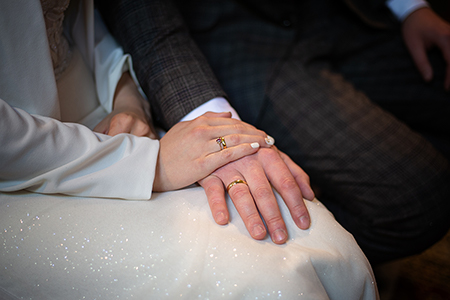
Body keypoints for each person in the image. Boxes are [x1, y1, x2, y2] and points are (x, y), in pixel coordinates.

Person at [97, 0, 450, 264]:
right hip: (234, 40)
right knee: (421, 199)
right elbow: (143, 16)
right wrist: (221, 133)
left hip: (342, 12)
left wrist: (410, 6)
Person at [0, 0, 314, 218]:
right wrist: (152, 163)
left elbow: (78, 20)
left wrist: (128, 98)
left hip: (111, 112)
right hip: (40, 164)